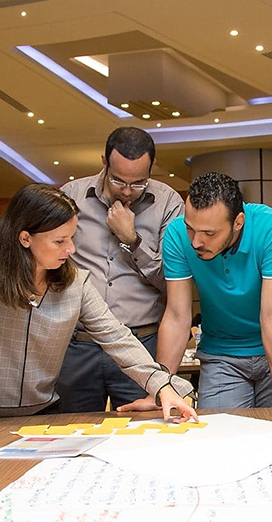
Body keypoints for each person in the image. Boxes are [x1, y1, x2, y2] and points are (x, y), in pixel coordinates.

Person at [0, 184, 196, 424]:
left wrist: (163, 385)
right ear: (25, 238)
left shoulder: (75, 282)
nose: (71, 249)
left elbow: (117, 337)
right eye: (60, 241)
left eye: (72, 238)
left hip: (43, 412)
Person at [126, 171, 272, 411]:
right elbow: (176, 316)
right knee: (218, 437)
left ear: (238, 222)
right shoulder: (176, 234)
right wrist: (159, 391)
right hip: (221, 353)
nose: (195, 242)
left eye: (209, 234)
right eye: (191, 229)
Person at [56, 127, 184, 412]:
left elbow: (171, 281)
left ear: (151, 168)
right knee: (73, 433)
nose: (127, 191)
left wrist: (132, 240)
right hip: (78, 344)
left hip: (141, 344)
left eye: (138, 183)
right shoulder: (71, 196)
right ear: (104, 161)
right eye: (118, 180)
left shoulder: (168, 204)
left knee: (146, 437)